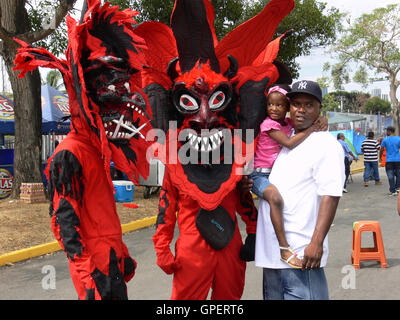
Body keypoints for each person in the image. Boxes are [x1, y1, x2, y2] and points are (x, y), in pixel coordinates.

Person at [255, 80, 345, 300]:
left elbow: (331, 195)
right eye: (296, 104)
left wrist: (316, 243)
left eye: (309, 105)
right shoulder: (285, 140)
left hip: (301, 254)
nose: (301, 110)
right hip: (272, 256)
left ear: (319, 109)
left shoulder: (325, 144)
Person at [250, 84, 325, 268]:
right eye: (270, 105)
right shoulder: (269, 124)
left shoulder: (288, 123)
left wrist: (322, 120)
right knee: (275, 199)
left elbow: (304, 124)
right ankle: (284, 248)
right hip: (259, 175)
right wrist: (313, 128)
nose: (273, 109)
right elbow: (290, 143)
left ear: (287, 108)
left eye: (279, 106)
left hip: (273, 173)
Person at [380, 126, 400, 195]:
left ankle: (393, 190)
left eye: (387, 131)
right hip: (397, 160)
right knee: (398, 175)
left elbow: (381, 149)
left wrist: (380, 158)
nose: (386, 132)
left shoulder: (385, 140)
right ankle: (398, 188)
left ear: (389, 131)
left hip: (389, 161)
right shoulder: (398, 139)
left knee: (390, 176)